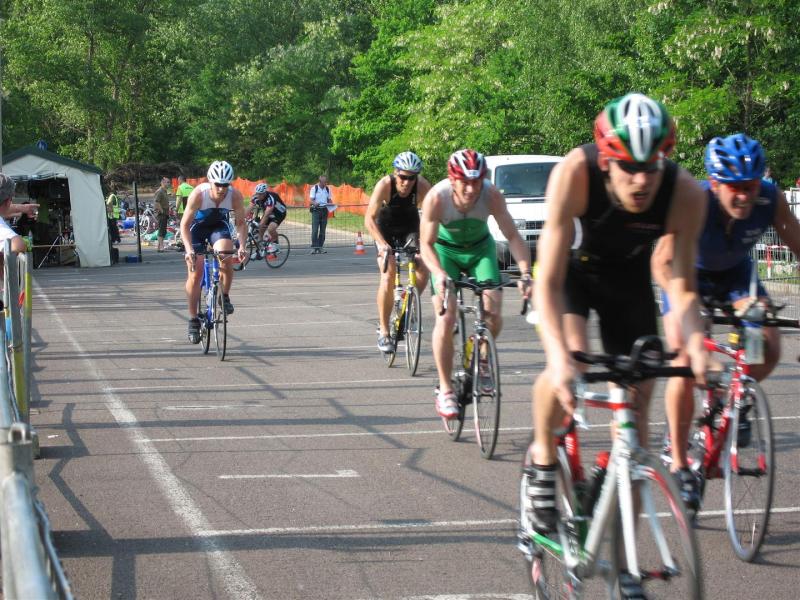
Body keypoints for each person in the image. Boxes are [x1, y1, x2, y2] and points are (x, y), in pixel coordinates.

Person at [525, 93, 710, 539]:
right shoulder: (576, 172)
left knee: (639, 398)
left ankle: (621, 537)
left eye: (652, 166)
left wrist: (695, 344)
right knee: (571, 362)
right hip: (571, 273)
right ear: (607, 161)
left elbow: (683, 286)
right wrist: (559, 358)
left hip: (627, 280)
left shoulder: (684, 192)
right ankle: (544, 461)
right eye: (629, 167)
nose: (641, 180)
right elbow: (547, 281)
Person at [652, 133, 800, 509]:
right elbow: (661, 263)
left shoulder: (771, 199)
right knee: (684, 361)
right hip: (687, 275)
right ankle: (679, 459)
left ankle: (736, 397)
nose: (744, 196)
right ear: (715, 183)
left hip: (736, 277)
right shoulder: (694, 201)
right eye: (735, 187)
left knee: (768, 346)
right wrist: (685, 310)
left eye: (750, 186)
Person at [420, 149, 533, 418]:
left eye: (477, 182)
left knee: (493, 311)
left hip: (481, 249)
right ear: (452, 179)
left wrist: (526, 273)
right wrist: (438, 273)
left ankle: (481, 358)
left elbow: (513, 236)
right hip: (445, 252)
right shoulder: (437, 197)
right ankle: (446, 390)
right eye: (464, 182)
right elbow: (426, 244)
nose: (471, 189)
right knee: (445, 317)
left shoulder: (491, 194)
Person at [365, 151, 433, 353]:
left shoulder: (422, 186)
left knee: (424, 267)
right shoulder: (384, 185)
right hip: (385, 229)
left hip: (410, 227)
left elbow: (432, 216)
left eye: (412, 178)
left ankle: (408, 305)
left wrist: (427, 243)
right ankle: (384, 331)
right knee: (389, 272)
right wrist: (382, 244)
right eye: (403, 177)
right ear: (396, 174)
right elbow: (369, 219)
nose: (407, 182)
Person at [180, 161, 247, 343]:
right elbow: (184, 225)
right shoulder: (198, 194)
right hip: (196, 228)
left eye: (225, 184)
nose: (221, 189)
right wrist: (189, 250)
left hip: (218, 227)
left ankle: (224, 295)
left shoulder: (234, 195)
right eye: (218, 184)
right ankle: (193, 319)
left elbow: (241, 224)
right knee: (196, 271)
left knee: (226, 254)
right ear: (210, 181)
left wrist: (242, 246)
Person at [250, 182, 287, 253]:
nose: (258, 195)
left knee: (270, 229)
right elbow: (249, 208)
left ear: (264, 193)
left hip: (279, 213)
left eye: (260, 194)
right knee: (260, 230)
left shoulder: (270, 198)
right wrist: (242, 218)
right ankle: (261, 247)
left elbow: (266, 215)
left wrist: (260, 225)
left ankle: (276, 245)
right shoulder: (255, 197)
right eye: (257, 193)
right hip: (267, 212)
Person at [309, 174, 332, 254]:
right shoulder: (314, 188)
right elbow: (311, 200)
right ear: (320, 182)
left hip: (324, 210)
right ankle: (314, 247)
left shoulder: (327, 189)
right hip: (316, 210)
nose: (326, 183)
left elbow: (329, 199)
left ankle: (320, 247)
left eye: (326, 182)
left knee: (322, 230)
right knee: (315, 230)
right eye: (324, 182)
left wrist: (331, 204)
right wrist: (315, 203)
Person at [153, 176, 171, 252]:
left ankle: (158, 247)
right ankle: (161, 247)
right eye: (167, 182)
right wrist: (162, 211)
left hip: (165, 213)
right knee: (161, 230)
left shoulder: (165, 191)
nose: (169, 184)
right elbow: (156, 202)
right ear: (163, 183)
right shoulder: (159, 191)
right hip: (161, 213)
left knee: (163, 230)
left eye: (169, 182)